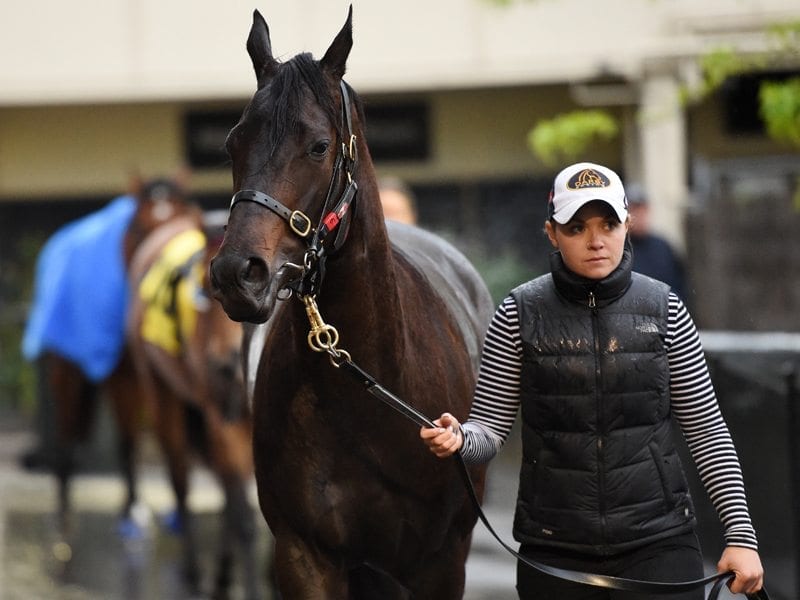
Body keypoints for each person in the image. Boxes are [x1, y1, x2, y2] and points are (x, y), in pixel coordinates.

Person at [420, 162, 763, 599]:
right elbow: (488, 428)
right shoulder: (518, 313)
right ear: (551, 232)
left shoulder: (666, 310)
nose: (596, 240)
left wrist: (742, 537)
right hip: (555, 549)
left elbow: (707, 431)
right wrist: (459, 439)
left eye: (609, 224)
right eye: (577, 227)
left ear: (627, 224)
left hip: (659, 544)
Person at [626, 182, 687, 300]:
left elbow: (680, 286)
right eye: (634, 210)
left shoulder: (663, 246)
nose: (638, 216)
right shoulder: (619, 250)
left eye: (642, 210)